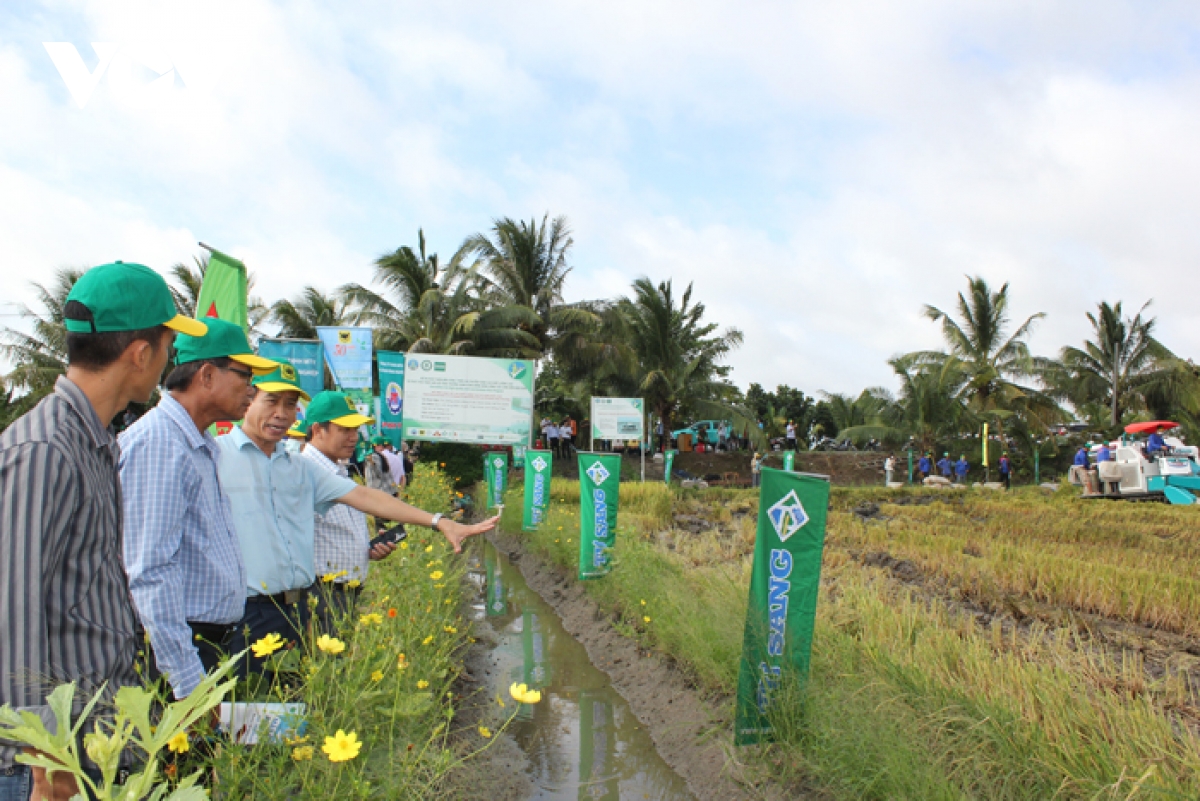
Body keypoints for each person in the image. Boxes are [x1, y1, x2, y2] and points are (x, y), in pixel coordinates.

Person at [1, 261, 205, 799]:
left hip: (97, 738)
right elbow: (11, 611)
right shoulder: (45, 451)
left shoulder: (97, 442)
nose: (168, 359)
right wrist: (44, 756)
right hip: (53, 763)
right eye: (167, 345)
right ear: (140, 354)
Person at [219, 365, 499, 670]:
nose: (282, 414)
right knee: (243, 702)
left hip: (294, 609)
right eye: (271, 401)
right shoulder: (217, 456)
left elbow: (366, 498)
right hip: (244, 611)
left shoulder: (296, 467)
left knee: (294, 702)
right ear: (248, 399)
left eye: (290, 404)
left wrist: (440, 522)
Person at [121, 318, 277, 703]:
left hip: (206, 644)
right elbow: (150, 573)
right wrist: (189, 685)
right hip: (179, 651)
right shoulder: (160, 445)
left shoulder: (199, 443)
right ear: (207, 375)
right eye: (245, 375)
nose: (252, 389)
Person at [302, 391, 397, 631]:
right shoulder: (305, 471)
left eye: (356, 430)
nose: (354, 437)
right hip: (320, 592)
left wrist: (368, 550)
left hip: (343, 591)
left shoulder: (339, 469)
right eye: (344, 429)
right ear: (317, 430)